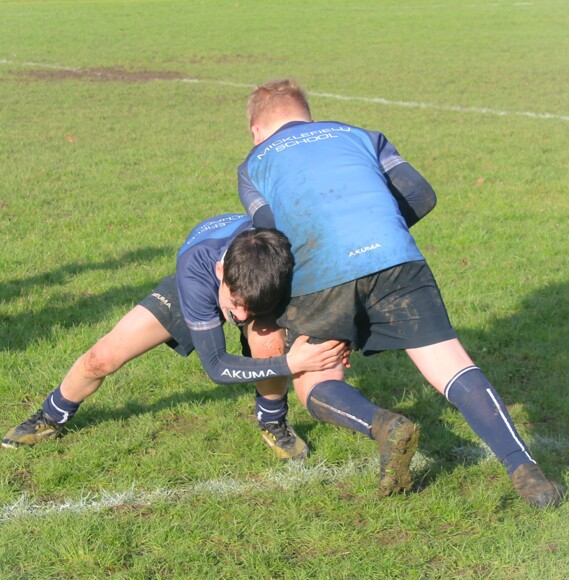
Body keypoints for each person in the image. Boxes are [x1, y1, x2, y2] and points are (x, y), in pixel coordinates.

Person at [237, 79, 565, 507]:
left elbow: (271, 236)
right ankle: (529, 474)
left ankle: (382, 424)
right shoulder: (362, 134)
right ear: (307, 115)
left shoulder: (254, 162)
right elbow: (420, 194)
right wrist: (379, 231)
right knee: (451, 366)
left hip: (320, 269)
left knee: (316, 380)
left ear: (256, 130)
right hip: (395, 256)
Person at [2, 213, 346, 461]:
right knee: (101, 358)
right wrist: (291, 362)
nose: (240, 316)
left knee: (268, 343)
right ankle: (51, 415)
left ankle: (272, 420)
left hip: (257, 280)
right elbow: (216, 366)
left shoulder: (286, 257)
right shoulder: (197, 271)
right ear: (221, 272)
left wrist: (330, 340)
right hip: (197, 284)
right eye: (236, 304)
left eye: (249, 308)